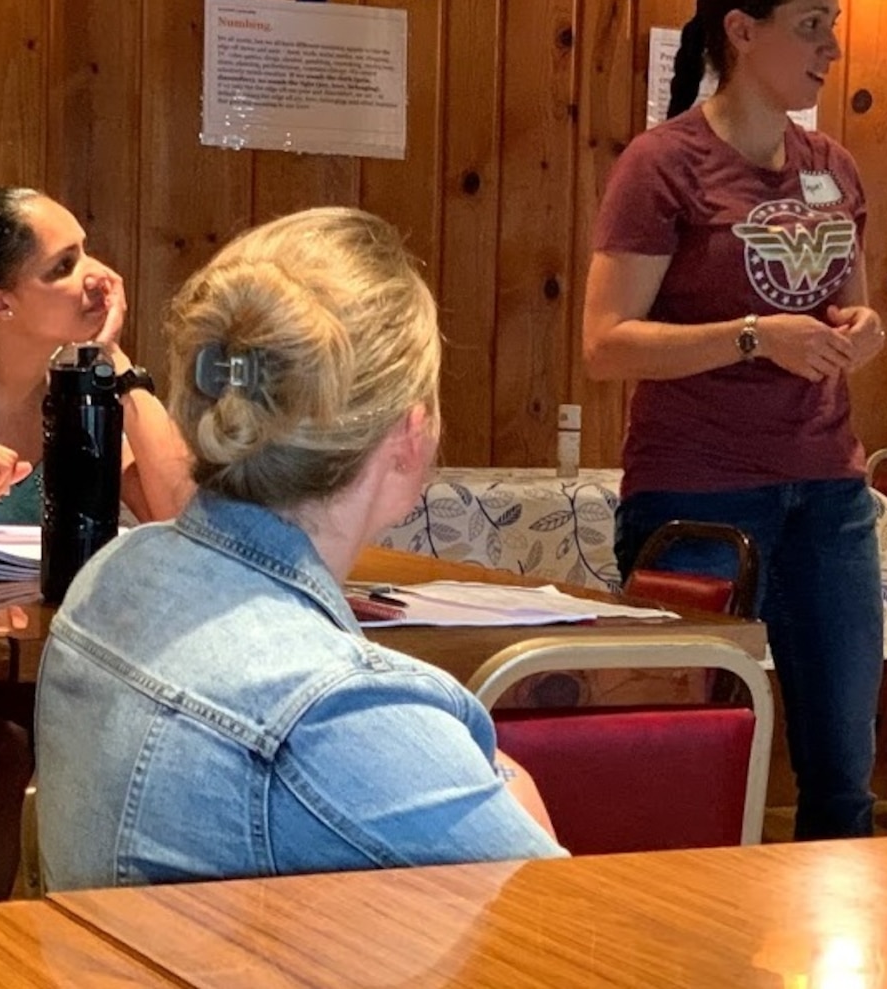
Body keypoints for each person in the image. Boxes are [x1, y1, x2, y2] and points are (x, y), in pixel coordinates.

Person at [35, 208, 563, 889]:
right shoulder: (337, 712)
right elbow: (561, 922)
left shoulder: (112, 574)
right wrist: (498, 771)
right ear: (411, 434)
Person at [583, 0, 885, 841]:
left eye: (834, 25)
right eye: (810, 25)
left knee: (842, 766)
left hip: (828, 489)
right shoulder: (663, 161)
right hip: (700, 493)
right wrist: (753, 337)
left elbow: (852, 310)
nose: (830, 47)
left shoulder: (833, 164)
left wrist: (863, 333)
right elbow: (605, 344)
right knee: (684, 746)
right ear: (743, 32)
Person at [0, 187, 190, 523]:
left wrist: (115, 361)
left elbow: (184, 519)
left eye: (85, 251)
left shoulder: (81, 390)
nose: (100, 277)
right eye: (64, 265)